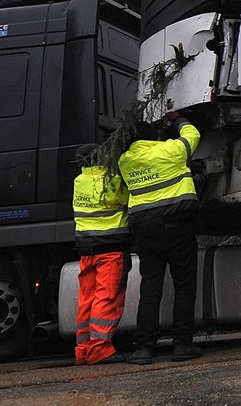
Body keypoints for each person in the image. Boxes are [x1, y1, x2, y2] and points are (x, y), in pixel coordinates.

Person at [117, 112, 202, 365]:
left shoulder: (125, 161)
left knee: (151, 287)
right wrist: (177, 121)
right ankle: (182, 345)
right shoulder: (170, 151)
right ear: (154, 137)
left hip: (145, 231)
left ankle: (143, 349)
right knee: (184, 286)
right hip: (177, 227)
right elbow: (192, 134)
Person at [72, 143, 131, 365]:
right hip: (110, 248)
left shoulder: (79, 181)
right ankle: (100, 349)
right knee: (107, 296)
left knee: (87, 298)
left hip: (86, 248)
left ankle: (83, 349)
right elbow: (127, 200)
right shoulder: (111, 179)